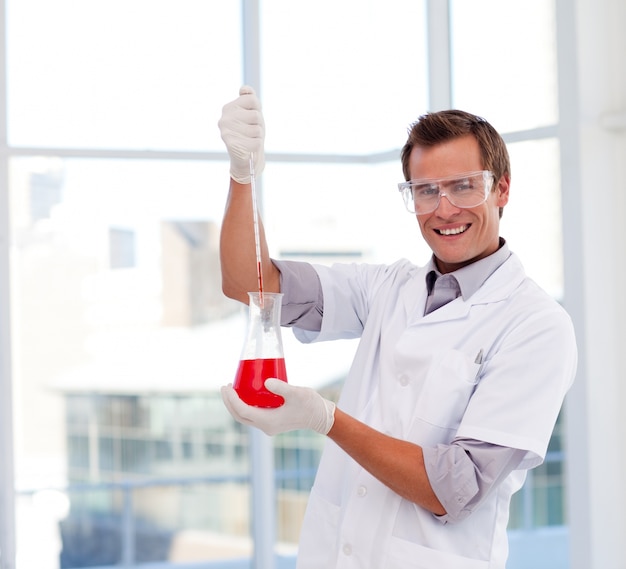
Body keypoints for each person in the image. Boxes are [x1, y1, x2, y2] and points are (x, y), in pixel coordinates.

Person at [217, 86, 577, 569]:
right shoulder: (386, 287)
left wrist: (326, 419)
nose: (444, 209)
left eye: (464, 185)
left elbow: (454, 488)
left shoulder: (535, 325)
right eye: (425, 191)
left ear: (502, 189)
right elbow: (248, 282)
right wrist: (243, 177)